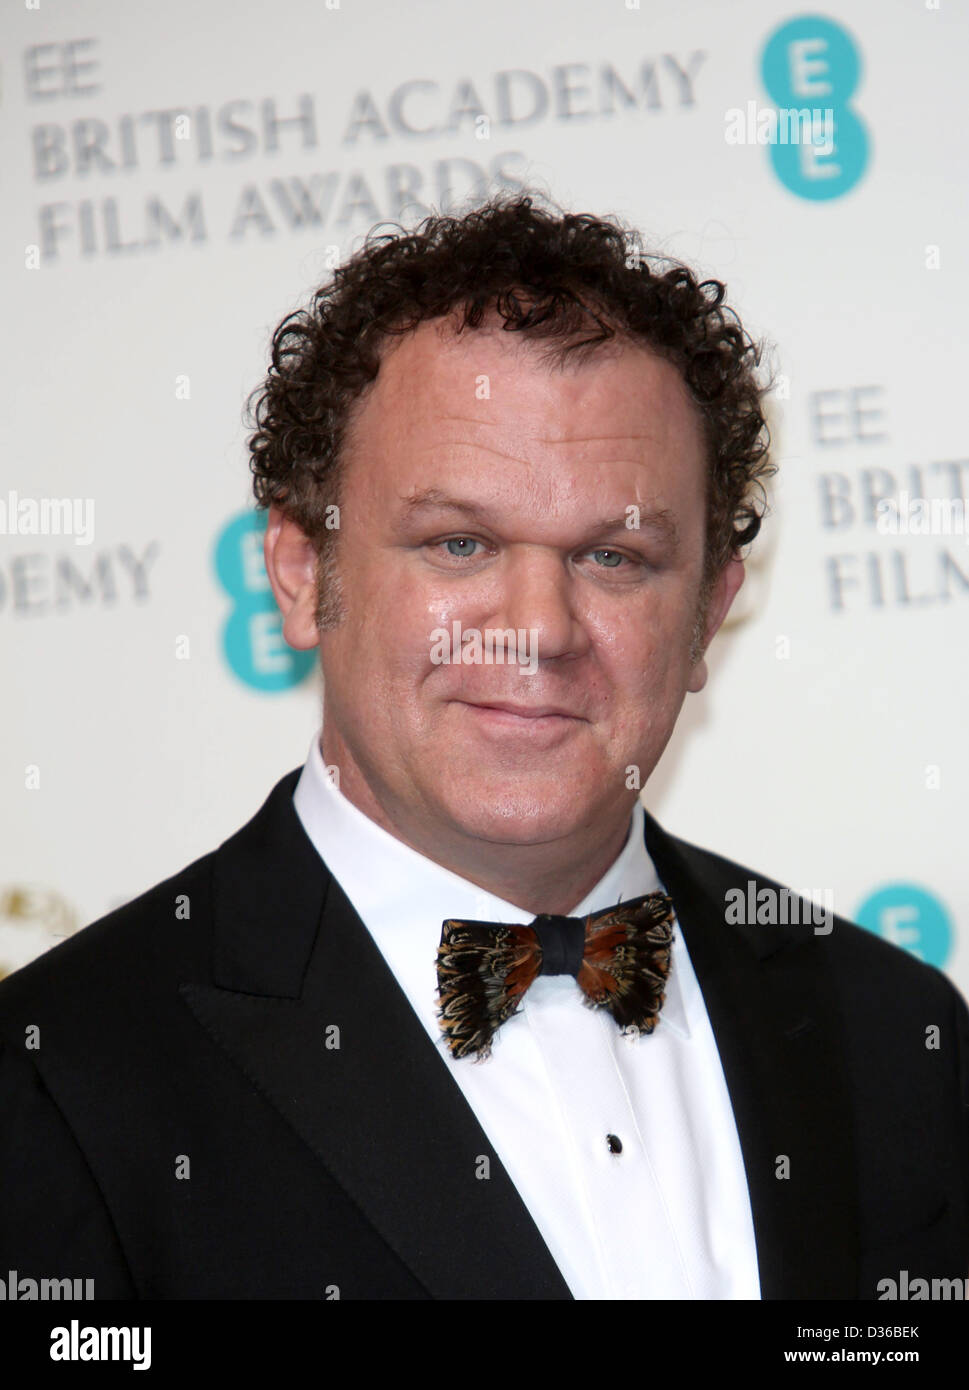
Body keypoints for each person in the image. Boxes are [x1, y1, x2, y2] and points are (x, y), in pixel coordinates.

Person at [1, 194, 966, 1301]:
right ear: (304, 575)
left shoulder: (896, 1033)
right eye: (459, 542)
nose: (539, 630)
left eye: (614, 556)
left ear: (707, 614)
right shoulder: (59, 1079)